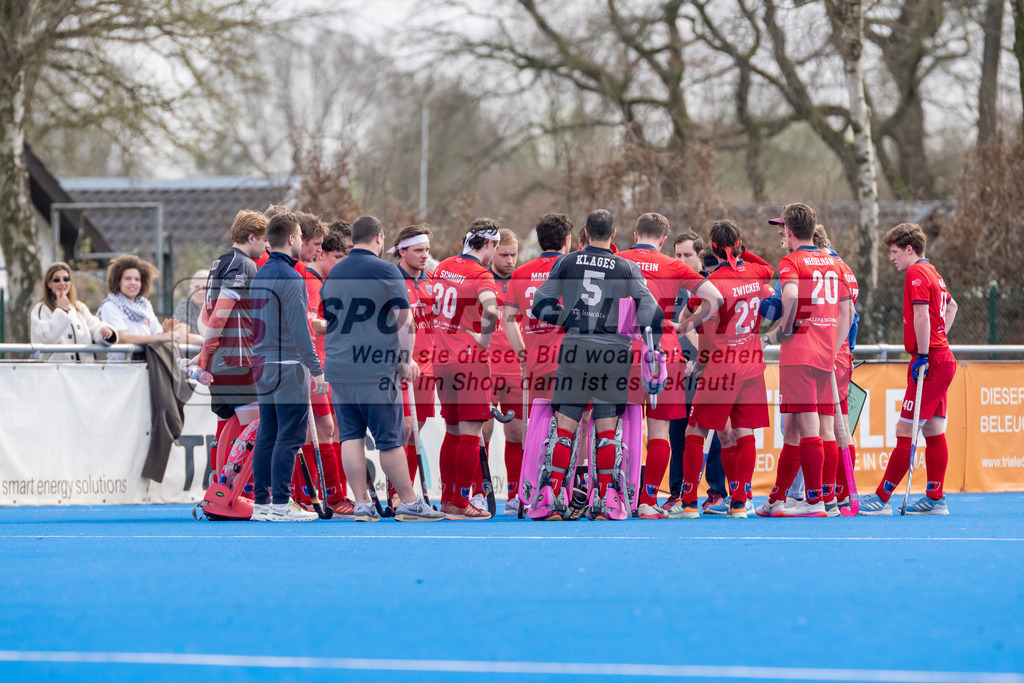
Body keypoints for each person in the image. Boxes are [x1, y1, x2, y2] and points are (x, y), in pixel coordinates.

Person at [529, 209, 663, 521]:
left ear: (585, 234)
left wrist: (566, 320)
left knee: (565, 430)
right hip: (613, 352)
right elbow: (650, 307)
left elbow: (539, 305)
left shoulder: (567, 261)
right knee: (606, 431)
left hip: (576, 348)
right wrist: (650, 343)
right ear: (614, 235)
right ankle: (607, 500)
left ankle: (550, 497)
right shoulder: (627, 266)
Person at [321, 215, 443, 522]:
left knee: (350, 437)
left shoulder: (334, 272)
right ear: (379, 238)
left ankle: (361, 503)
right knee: (390, 438)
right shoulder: (386, 270)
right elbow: (405, 321)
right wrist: (405, 359)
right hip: (373, 367)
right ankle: (409, 501)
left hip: (339, 365)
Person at [619, 214, 723, 520]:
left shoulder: (618, 260)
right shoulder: (673, 265)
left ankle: (616, 497)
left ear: (635, 233)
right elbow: (714, 298)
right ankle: (648, 500)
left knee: (621, 428)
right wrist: (686, 324)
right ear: (663, 239)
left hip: (624, 349)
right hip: (664, 350)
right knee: (660, 430)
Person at [756, 203, 853, 518]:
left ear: (790, 229)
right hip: (825, 353)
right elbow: (847, 312)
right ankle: (779, 498)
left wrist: (784, 332)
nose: (780, 233)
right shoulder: (833, 261)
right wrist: (831, 345)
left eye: (781, 227)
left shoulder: (791, 260)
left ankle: (815, 501)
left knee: (808, 424)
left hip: (799, 353)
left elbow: (792, 296)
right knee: (796, 425)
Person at [675, 220, 773, 518]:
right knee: (743, 435)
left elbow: (689, 313)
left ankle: (690, 501)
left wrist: (680, 329)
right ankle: (740, 503)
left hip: (721, 367)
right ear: (739, 243)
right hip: (751, 365)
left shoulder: (713, 282)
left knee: (696, 432)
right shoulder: (757, 273)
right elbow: (766, 266)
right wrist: (741, 251)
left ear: (711, 247)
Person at [860, 223, 958, 515]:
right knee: (934, 429)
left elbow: (920, 315)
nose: (891, 258)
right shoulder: (934, 273)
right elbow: (951, 307)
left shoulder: (917, 272)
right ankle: (935, 498)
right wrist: (939, 340)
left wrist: (925, 353)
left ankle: (881, 499)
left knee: (906, 428)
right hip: (941, 358)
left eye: (894, 252)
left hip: (930, 362)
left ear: (909, 249)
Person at [248, 211, 328, 522]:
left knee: (269, 431)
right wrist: (316, 368)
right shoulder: (292, 277)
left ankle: (263, 502)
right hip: (287, 364)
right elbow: (300, 330)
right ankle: (281, 503)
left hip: (264, 362)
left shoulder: (262, 274)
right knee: (291, 434)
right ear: (293, 239)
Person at [503, 213, 574, 514]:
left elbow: (508, 320)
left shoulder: (520, 273)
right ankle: (565, 490)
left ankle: (527, 490)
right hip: (569, 361)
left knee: (538, 430)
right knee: (570, 429)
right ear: (567, 241)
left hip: (535, 363)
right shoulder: (572, 270)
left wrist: (521, 351)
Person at [432, 218, 502, 520]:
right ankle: (461, 503)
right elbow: (491, 308)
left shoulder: (444, 265)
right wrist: (484, 339)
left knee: (451, 431)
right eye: (495, 248)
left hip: (441, 360)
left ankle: (448, 499)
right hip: (470, 362)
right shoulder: (481, 274)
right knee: (471, 433)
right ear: (489, 245)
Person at [193, 209, 268, 476]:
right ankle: (244, 492)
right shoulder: (244, 264)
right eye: (263, 239)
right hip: (236, 359)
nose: (266, 245)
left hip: (222, 360)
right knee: (256, 429)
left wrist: (207, 353)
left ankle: (218, 490)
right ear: (251, 237)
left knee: (226, 426)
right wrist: (206, 352)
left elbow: (208, 314)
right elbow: (218, 316)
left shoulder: (219, 262)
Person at [291, 228, 353, 516]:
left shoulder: (321, 279)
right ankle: (322, 495)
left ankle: (324, 494)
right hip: (312, 364)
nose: (341, 263)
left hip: (323, 361)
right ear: (322, 253)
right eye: (337, 256)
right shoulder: (312, 279)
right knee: (321, 429)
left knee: (327, 429)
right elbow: (311, 321)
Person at [665, 231, 728, 514]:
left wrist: (701, 360)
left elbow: (715, 331)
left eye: (687, 255)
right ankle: (677, 492)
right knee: (677, 434)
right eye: (677, 255)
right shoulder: (668, 284)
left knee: (712, 432)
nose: (681, 260)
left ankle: (716, 492)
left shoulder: (710, 287)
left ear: (699, 257)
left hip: (705, 370)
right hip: (676, 371)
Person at [387, 224, 437, 507]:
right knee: (404, 429)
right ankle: (398, 494)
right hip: (401, 368)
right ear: (402, 251)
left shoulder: (431, 280)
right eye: (418, 250)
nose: (424, 255)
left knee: (417, 430)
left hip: (428, 369)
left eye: (427, 250)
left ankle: (407, 495)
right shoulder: (392, 280)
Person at [480, 228, 522, 512]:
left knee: (517, 435)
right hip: (487, 367)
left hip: (516, 369)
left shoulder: (523, 279)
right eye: (504, 255)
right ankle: (477, 492)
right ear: (493, 251)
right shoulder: (481, 279)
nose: (509, 260)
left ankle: (516, 494)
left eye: (514, 255)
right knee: (481, 434)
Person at [98, 254, 186, 361]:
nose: (133, 283)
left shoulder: (146, 306)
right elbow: (122, 338)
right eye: (128, 278)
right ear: (118, 281)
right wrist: (160, 337)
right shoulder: (110, 306)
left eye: (137, 279)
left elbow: (157, 334)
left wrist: (165, 332)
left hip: (147, 365)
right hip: (121, 368)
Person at [30, 262, 117, 361]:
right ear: (49, 284)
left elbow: (94, 325)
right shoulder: (41, 308)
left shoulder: (79, 307)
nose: (62, 283)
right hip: (56, 371)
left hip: (83, 371)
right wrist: (61, 310)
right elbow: (45, 338)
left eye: (66, 279)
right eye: (56, 280)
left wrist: (105, 331)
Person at [170, 270, 208, 347]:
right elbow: (181, 337)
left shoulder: (218, 308)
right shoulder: (185, 305)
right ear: (191, 289)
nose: (200, 292)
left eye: (204, 288)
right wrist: (213, 340)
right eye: (196, 287)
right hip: (189, 357)